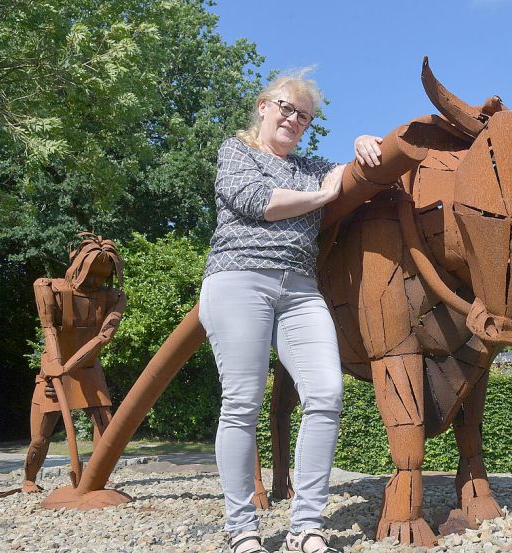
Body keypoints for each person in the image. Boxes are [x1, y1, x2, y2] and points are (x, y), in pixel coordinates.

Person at [199, 70, 382, 553]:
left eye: (303, 116)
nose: (293, 119)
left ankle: (307, 526)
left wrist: (365, 142)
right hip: (239, 280)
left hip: (300, 290)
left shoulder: (309, 166)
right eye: (286, 108)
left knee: (325, 392)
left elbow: (353, 172)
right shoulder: (236, 152)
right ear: (263, 106)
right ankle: (241, 530)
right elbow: (258, 201)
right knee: (242, 402)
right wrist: (322, 195)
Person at [0, 234, 125, 498]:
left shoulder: (113, 298)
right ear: (77, 265)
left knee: (106, 426)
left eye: (102, 277)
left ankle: (98, 476)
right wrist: (55, 367)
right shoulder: (50, 290)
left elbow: (104, 336)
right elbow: (49, 329)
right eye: (91, 275)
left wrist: (68, 368)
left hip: (88, 368)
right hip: (53, 370)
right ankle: (29, 479)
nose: (95, 282)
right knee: (41, 435)